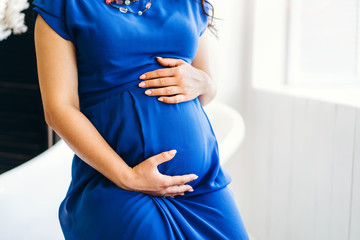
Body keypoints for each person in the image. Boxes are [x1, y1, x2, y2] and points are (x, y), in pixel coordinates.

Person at [32, 0, 249, 239]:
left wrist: (206, 83)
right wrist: (128, 177)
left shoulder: (188, 3)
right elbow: (58, 109)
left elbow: (204, 88)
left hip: (202, 186)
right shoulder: (64, 5)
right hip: (119, 185)